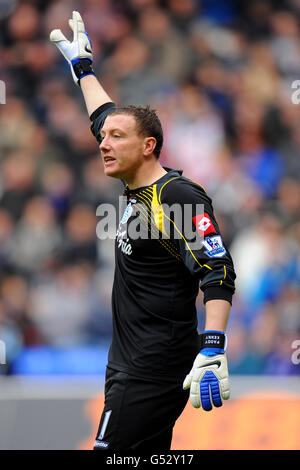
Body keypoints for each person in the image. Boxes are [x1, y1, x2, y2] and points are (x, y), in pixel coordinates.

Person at [50, 11, 236, 451]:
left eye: (116, 137)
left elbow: (218, 269)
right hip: (129, 363)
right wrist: (83, 70)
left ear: (148, 146)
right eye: (104, 136)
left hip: (153, 368)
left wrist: (213, 348)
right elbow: (102, 114)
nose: (103, 142)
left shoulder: (177, 197)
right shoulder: (136, 184)